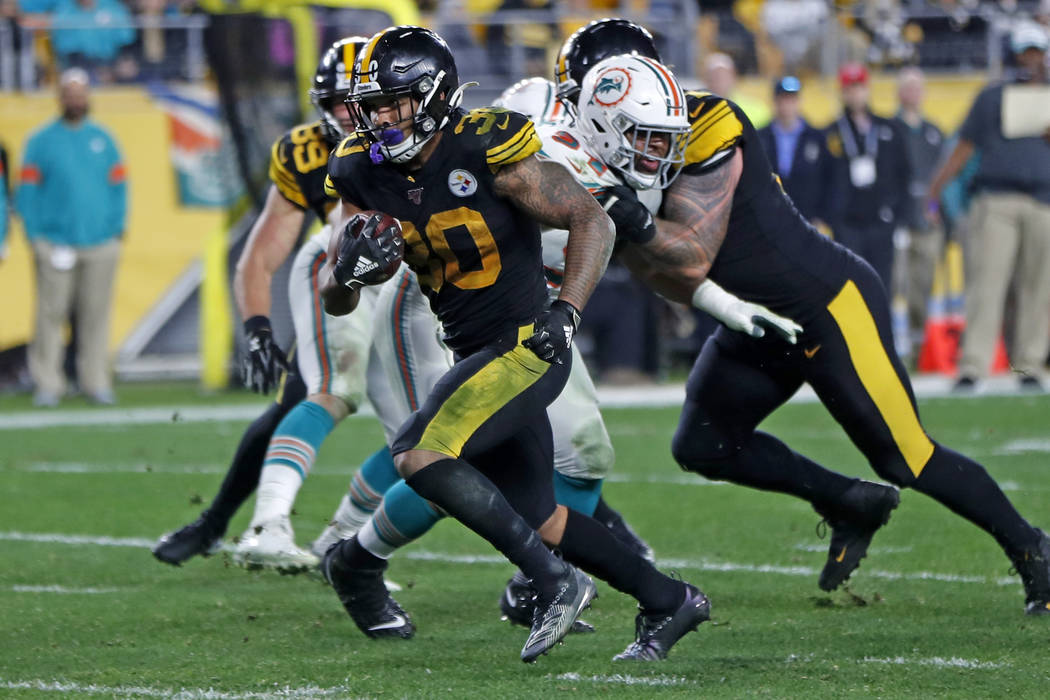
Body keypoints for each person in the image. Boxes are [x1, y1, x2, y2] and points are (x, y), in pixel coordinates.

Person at [322, 51, 800, 647]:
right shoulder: (358, 170)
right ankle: (669, 600)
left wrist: (566, 311)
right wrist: (349, 274)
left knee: (419, 451)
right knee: (542, 517)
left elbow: (591, 220)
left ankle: (552, 583)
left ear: (435, 97)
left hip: (528, 341)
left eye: (395, 103)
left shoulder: (486, 146)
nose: (381, 120)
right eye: (373, 107)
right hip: (470, 348)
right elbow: (333, 297)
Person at [619, 63, 1050, 616]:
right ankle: (847, 501)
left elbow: (689, 257)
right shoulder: (620, 155)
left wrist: (622, 219)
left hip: (824, 302)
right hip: (758, 319)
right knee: (702, 443)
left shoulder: (706, 122)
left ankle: (1031, 548)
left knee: (905, 457)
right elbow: (660, 274)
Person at [151, 38, 449, 572]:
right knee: (323, 391)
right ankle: (258, 524)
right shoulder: (315, 151)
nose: (349, 113)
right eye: (338, 101)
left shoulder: (436, 139)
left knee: (423, 433)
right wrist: (259, 329)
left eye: (367, 100)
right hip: (341, 274)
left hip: (406, 282)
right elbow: (262, 253)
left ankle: (336, 544)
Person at [926, 22, 1050, 392]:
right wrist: (935, 189)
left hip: (1044, 202)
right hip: (996, 200)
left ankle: (1029, 365)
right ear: (1014, 54)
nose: (1030, 60)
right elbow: (964, 147)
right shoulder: (992, 96)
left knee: (1039, 288)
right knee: (986, 284)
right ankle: (974, 365)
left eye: (1036, 53)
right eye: (1024, 53)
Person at [16, 68, 126, 407]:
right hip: (55, 241)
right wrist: (36, 236)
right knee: (50, 315)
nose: (76, 99)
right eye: (70, 93)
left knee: (96, 316)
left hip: (100, 241)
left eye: (81, 93)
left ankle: (95, 381)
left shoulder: (104, 139)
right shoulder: (41, 140)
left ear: (88, 96)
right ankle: (48, 383)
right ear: (60, 97)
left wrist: (116, 229)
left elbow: (120, 188)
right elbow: (27, 191)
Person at [823, 62, 911, 291]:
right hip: (847, 224)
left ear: (867, 89)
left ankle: (883, 328)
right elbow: (823, 179)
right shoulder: (832, 132)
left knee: (882, 286)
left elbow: (903, 173)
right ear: (842, 92)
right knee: (850, 287)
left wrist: (898, 215)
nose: (855, 93)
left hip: (882, 221)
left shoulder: (889, 128)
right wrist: (832, 216)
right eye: (849, 88)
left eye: (859, 87)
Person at [892, 67, 946, 343]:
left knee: (922, 285)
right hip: (897, 221)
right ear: (899, 92)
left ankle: (919, 345)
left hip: (927, 221)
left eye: (917, 86)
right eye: (908, 86)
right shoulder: (888, 130)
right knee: (893, 283)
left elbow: (944, 178)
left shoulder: (934, 132)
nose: (913, 92)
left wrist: (938, 211)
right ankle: (891, 344)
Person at [756, 75, 832, 227]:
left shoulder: (817, 137)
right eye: (783, 99)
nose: (787, 105)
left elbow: (828, 176)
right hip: (770, 217)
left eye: (791, 99)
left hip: (807, 217)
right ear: (775, 101)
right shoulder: (760, 137)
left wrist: (822, 215)